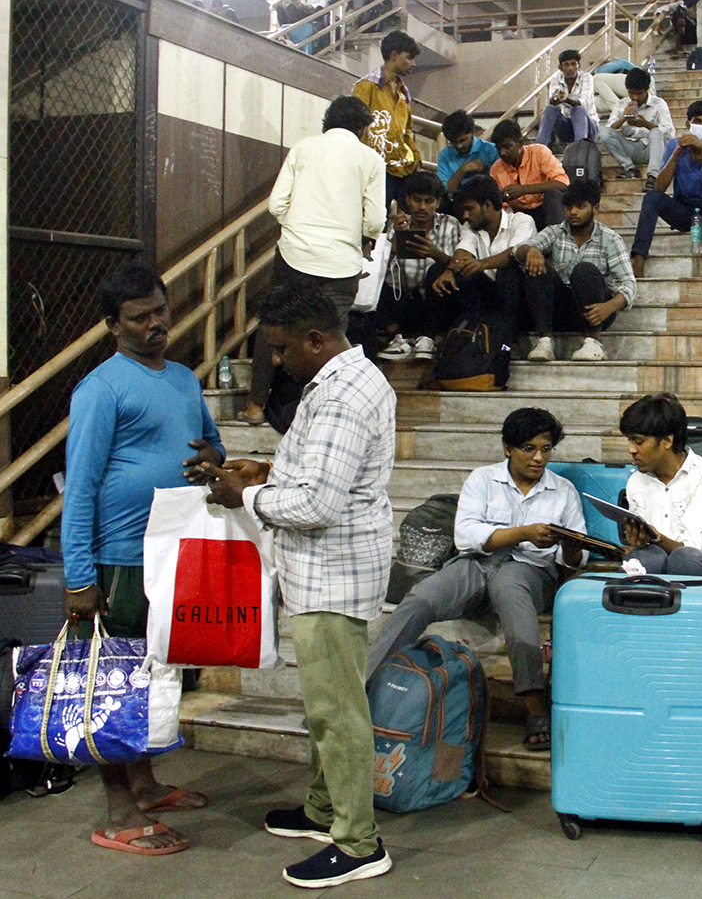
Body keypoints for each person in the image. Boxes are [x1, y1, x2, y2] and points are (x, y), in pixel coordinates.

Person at [204, 281, 396, 888]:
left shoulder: (343, 396)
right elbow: (315, 468)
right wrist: (264, 468)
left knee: (337, 711)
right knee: (325, 705)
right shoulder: (340, 381)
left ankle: (359, 843)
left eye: (283, 349)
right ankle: (322, 808)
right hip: (326, 567)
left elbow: (316, 503)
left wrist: (249, 495)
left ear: (316, 339)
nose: (278, 361)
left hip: (332, 572)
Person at [63, 264, 224, 857]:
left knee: (159, 675)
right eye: (139, 317)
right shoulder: (101, 388)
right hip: (121, 558)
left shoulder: (183, 377)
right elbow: (78, 488)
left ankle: (147, 785)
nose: (156, 323)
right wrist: (80, 576)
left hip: (175, 551)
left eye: (159, 310)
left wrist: (213, 453)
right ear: (112, 325)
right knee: (118, 683)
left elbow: (211, 442)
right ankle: (118, 810)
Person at [367, 408, 587, 753]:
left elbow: (572, 560)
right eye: (529, 448)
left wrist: (572, 549)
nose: (539, 457)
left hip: (530, 572)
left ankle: (534, 707)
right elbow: (466, 536)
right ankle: (360, 692)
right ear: (507, 448)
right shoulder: (483, 479)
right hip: (477, 563)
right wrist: (523, 533)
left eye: (546, 449)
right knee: (421, 598)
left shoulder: (563, 490)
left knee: (512, 594)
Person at [239, 95, 385, 427]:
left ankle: (256, 405)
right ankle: (320, 414)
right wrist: (353, 231)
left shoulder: (303, 149)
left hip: (295, 255)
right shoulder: (371, 159)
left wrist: (301, 224)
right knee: (332, 335)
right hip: (341, 262)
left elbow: (277, 205)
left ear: (327, 123)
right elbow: (375, 221)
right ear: (363, 128)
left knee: (273, 324)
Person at [513, 179, 637, 362]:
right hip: (561, 310)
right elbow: (518, 250)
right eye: (569, 207)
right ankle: (545, 341)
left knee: (584, 270)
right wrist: (532, 251)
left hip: (597, 311)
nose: (573, 213)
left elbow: (629, 284)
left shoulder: (611, 239)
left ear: (595, 208)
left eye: (580, 207)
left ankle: (594, 342)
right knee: (537, 265)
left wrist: (609, 307)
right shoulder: (555, 232)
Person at [619, 392, 702, 582]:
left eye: (638, 441)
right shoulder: (636, 481)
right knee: (644, 559)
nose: (631, 449)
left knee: (684, 560)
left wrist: (656, 538)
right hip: (657, 565)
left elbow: (692, 549)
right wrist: (638, 543)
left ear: (667, 441)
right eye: (629, 441)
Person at [429, 175, 537, 344]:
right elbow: (463, 250)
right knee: (442, 271)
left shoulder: (522, 221)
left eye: (469, 209)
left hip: (520, 301)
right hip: (488, 299)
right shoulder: (470, 226)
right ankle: (447, 336)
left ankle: (508, 342)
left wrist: (482, 264)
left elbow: (515, 253)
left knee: (507, 272)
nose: (465, 215)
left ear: (487, 205)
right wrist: (449, 271)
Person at [630, 99, 702, 279]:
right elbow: (660, 187)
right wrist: (676, 153)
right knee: (652, 197)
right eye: (698, 122)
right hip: (683, 210)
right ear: (688, 124)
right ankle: (638, 260)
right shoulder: (674, 145)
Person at [374, 171, 462, 363]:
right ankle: (398, 339)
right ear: (407, 200)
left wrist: (434, 253)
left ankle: (428, 339)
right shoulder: (399, 226)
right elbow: (386, 274)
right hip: (408, 301)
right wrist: (395, 244)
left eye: (429, 201)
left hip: (439, 302)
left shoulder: (451, 224)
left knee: (438, 272)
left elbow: (459, 267)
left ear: (438, 202)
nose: (422, 207)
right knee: (373, 280)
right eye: (417, 200)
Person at [352, 30, 422, 211]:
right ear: (393, 55)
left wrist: (414, 153)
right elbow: (354, 128)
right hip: (374, 168)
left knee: (412, 221)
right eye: (409, 58)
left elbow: (406, 131)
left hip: (402, 169)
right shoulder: (365, 87)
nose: (413, 64)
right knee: (375, 224)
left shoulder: (403, 92)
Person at [597, 67, 675, 188]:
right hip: (630, 148)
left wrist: (645, 124)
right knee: (604, 133)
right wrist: (624, 118)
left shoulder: (659, 104)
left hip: (652, 149)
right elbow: (609, 130)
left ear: (647, 89)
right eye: (631, 93)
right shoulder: (622, 103)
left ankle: (653, 176)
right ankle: (630, 168)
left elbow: (669, 134)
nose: (635, 97)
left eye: (639, 93)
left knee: (656, 132)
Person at [489, 118, 568, 231]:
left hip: (546, 210)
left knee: (553, 194)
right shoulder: (496, 169)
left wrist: (524, 189)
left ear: (520, 143)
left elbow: (562, 184)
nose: (502, 153)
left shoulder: (539, 152)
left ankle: (557, 239)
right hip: (520, 217)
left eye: (507, 147)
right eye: (499, 148)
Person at [536, 48, 599, 147]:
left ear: (579, 66)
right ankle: (539, 148)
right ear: (560, 67)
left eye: (573, 64)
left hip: (588, 128)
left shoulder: (586, 77)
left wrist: (566, 99)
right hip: (567, 129)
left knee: (578, 110)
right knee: (550, 109)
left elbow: (584, 102)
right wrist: (555, 99)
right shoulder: (556, 79)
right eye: (566, 64)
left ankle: (580, 149)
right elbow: (552, 100)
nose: (570, 68)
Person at [437, 109, 499, 197]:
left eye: (463, 140)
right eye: (454, 142)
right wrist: (462, 170)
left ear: (472, 132)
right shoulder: (445, 155)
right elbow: (445, 191)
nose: (459, 146)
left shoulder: (491, 150)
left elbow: (501, 184)